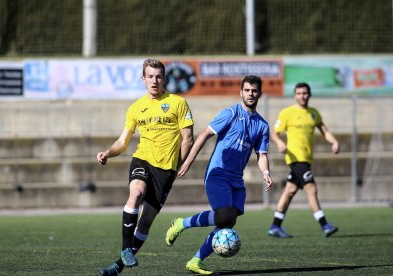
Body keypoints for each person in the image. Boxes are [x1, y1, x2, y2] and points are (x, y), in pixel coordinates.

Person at [165, 75, 273, 275]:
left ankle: (196, 261)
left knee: (229, 220)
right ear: (241, 92)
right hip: (218, 173)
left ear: (259, 93)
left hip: (236, 179)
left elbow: (262, 154)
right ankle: (182, 223)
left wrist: (265, 172)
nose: (251, 94)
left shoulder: (262, 125)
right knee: (223, 215)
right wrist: (188, 161)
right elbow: (204, 135)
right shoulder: (230, 113)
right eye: (247, 90)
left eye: (254, 90)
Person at [97, 58, 194, 276]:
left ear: (164, 79)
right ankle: (125, 249)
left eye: (159, 76)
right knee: (136, 193)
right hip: (142, 160)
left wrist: (179, 166)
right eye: (150, 76)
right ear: (143, 79)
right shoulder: (135, 108)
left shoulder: (178, 103)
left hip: (166, 170)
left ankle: (118, 265)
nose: (155, 81)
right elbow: (123, 141)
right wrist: (108, 153)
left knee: (146, 221)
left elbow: (187, 138)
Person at [267, 82, 340, 238]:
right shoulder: (287, 113)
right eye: (299, 93)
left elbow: (324, 131)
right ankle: (325, 225)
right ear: (295, 95)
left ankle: (275, 226)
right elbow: (274, 133)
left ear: (309, 94)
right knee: (311, 189)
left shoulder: (313, 113)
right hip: (295, 158)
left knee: (290, 191)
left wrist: (334, 142)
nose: (302, 96)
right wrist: (280, 143)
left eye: (305, 93)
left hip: (306, 159)